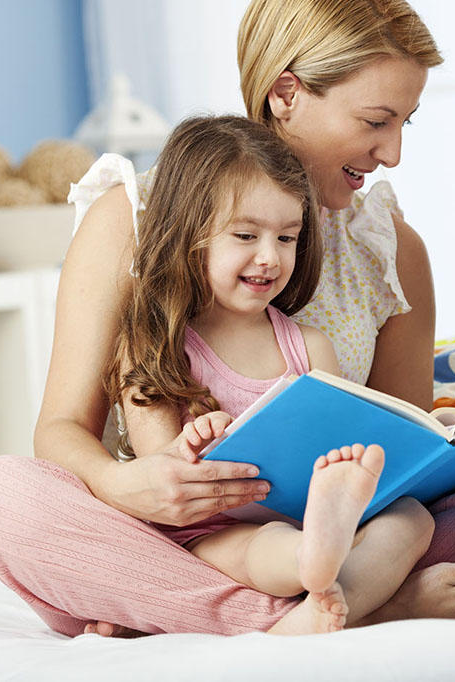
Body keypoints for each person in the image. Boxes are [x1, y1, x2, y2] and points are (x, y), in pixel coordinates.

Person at [0, 0, 455, 637]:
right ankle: (296, 616)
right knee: (4, 498)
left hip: (341, 535)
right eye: (377, 120)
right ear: (286, 92)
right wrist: (127, 486)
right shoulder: (132, 219)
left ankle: (209, 609)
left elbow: (403, 452)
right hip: (174, 532)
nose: (394, 153)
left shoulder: (390, 249)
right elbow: (60, 431)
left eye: (407, 123)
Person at [107, 114, 433, 634]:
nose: (270, 257)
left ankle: (329, 597)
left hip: (306, 513)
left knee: (414, 519)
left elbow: (344, 444)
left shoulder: (310, 347)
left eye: (287, 237)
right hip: (214, 532)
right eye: (245, 235)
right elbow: (161, 471)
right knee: (266, 549)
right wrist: (196, 442)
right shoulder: (155, 345)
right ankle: (314, 569)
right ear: (188, 235)